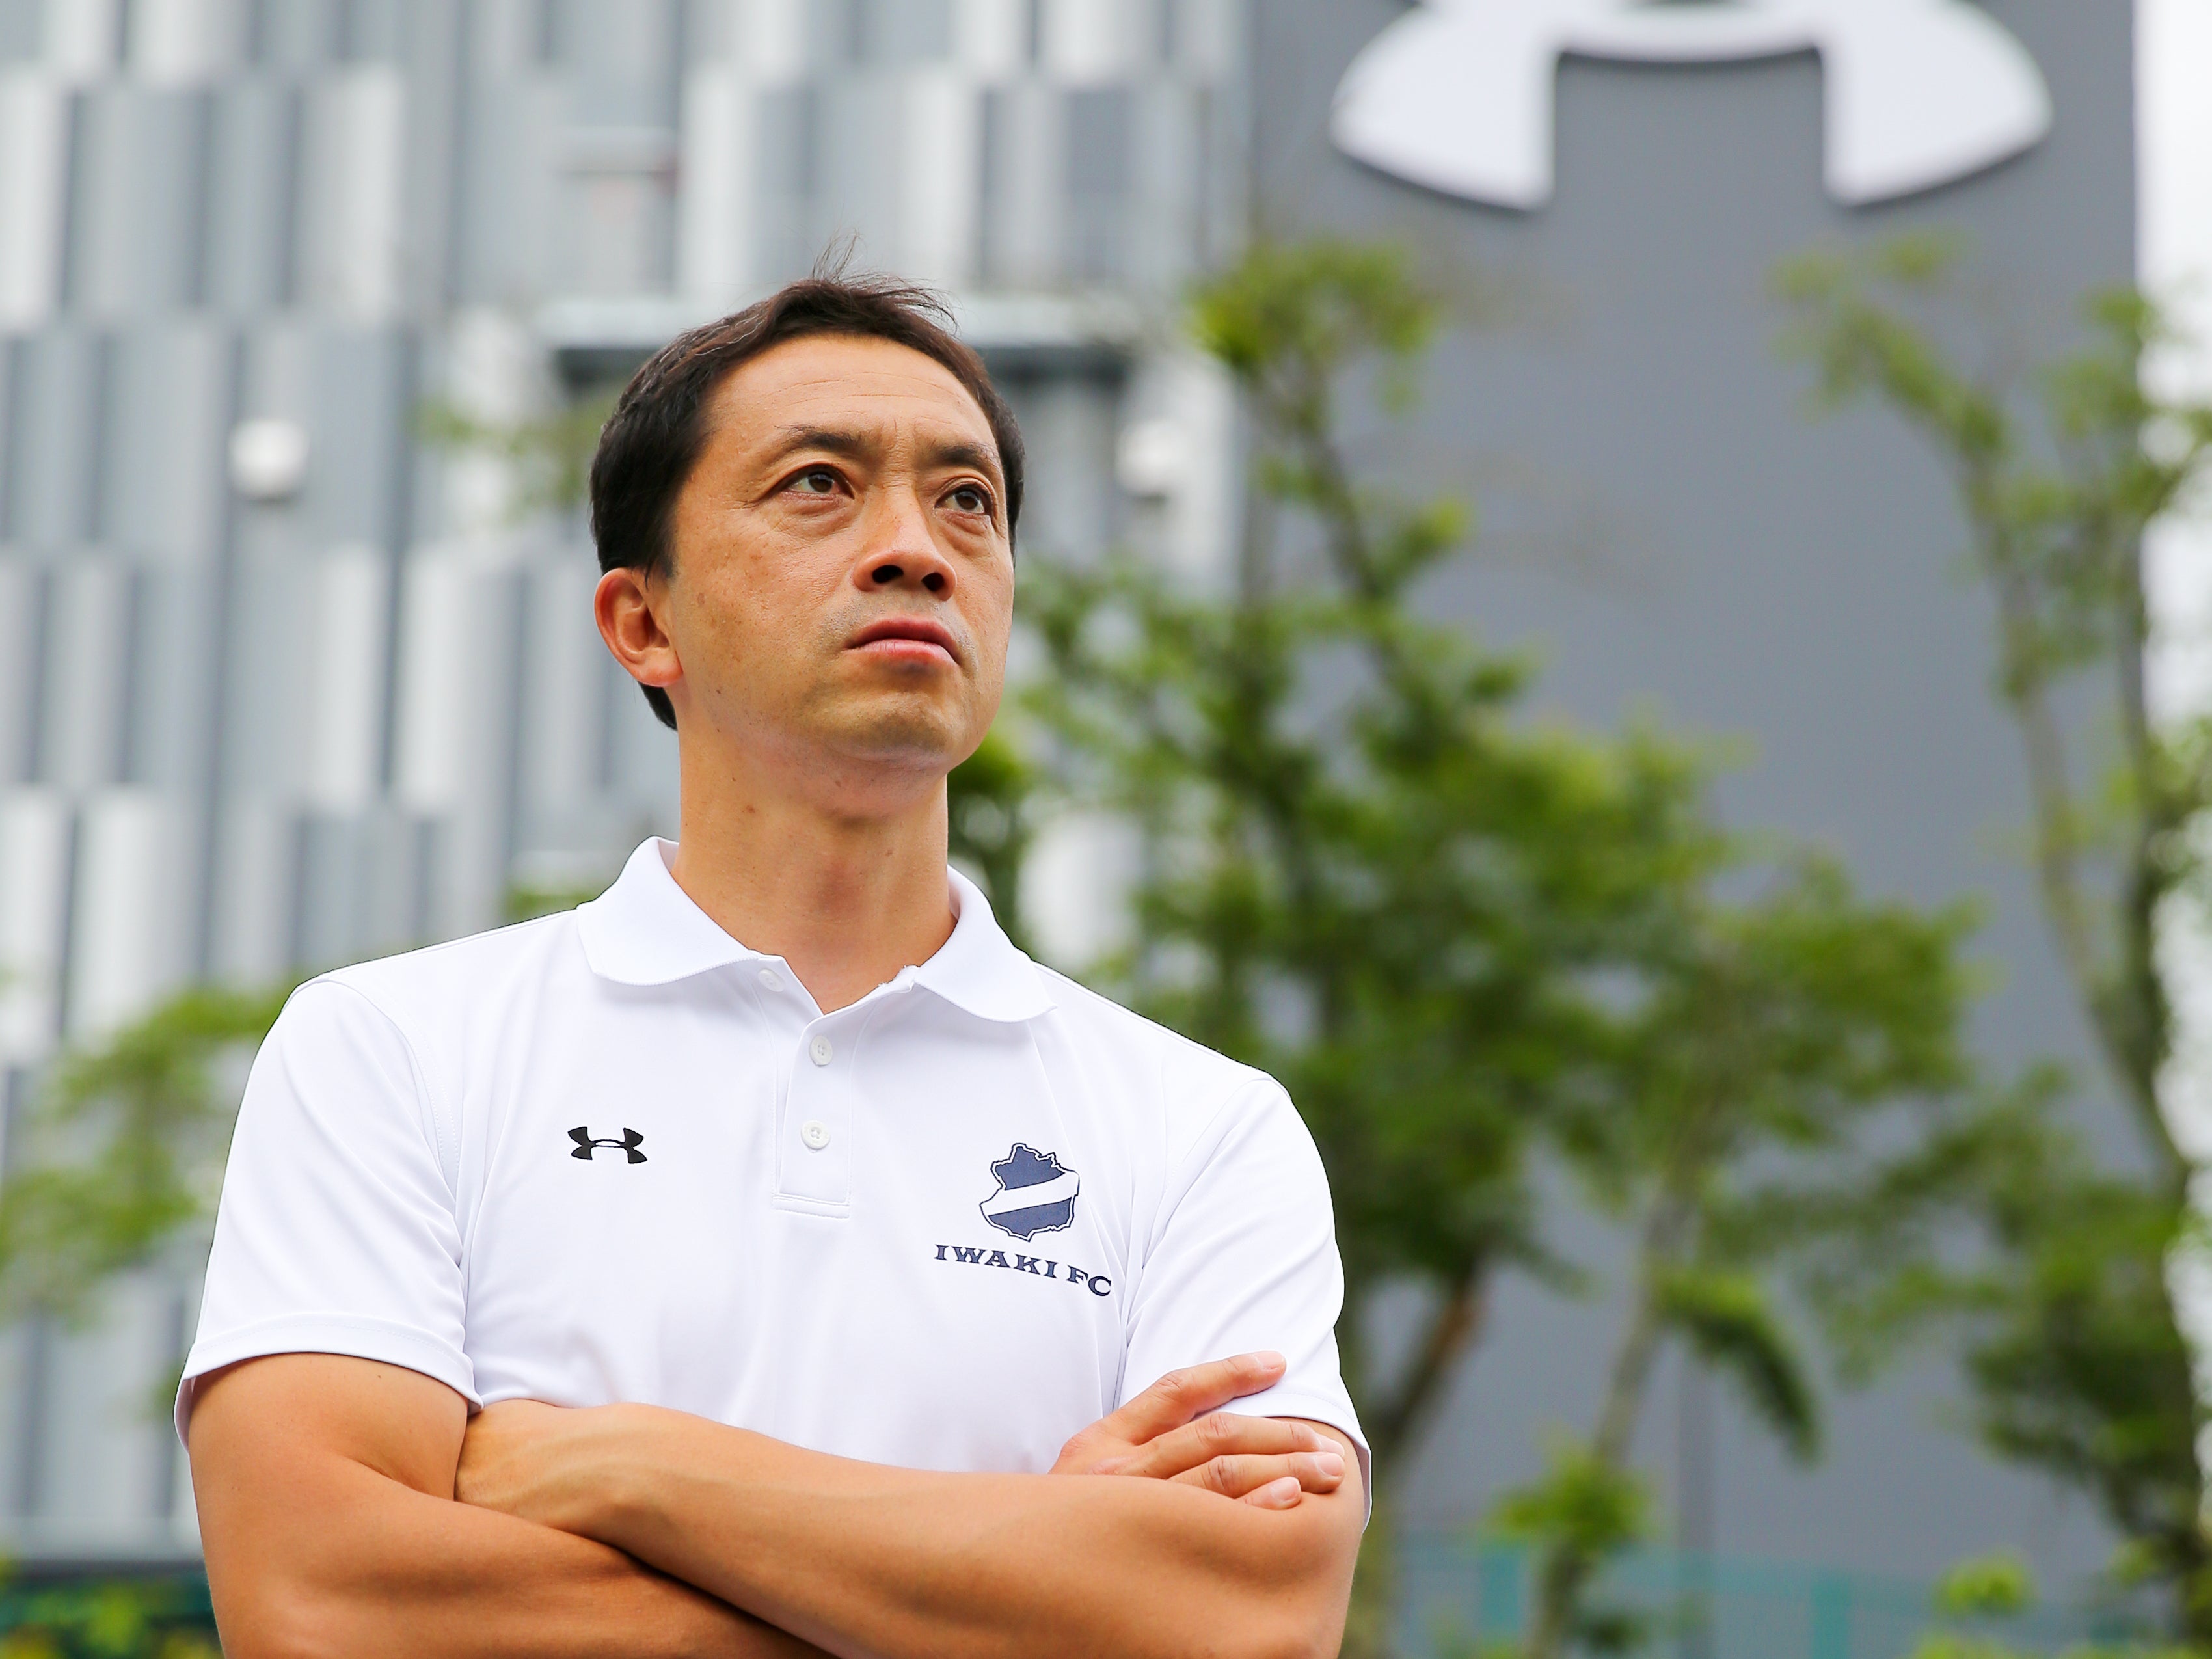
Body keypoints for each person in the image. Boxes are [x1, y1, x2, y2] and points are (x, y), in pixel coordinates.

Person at [181, 270, 1368, 1659]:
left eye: (966, 501)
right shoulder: (395, 1050)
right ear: (644, 623)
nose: (915, 548)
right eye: (818, 485)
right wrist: (1027, 1579)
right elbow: (324, 1605)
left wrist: (630, 1464)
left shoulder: (1201, 1129)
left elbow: (1251, 1615)